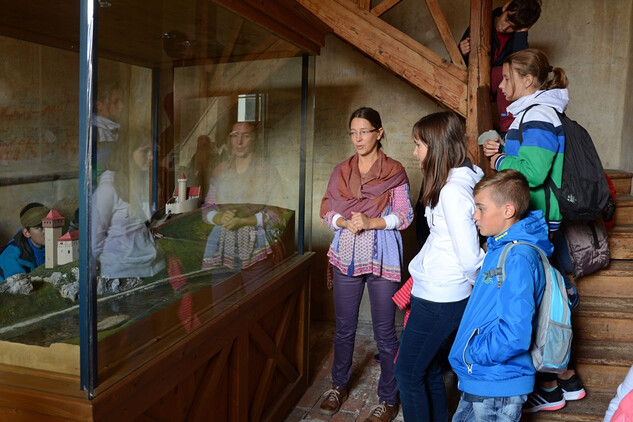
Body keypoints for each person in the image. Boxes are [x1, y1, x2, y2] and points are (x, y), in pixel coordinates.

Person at [482, 48, 586, 412]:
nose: (502, 84)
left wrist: (498, 160)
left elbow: (534, 172)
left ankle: (551, 387)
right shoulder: (533, 113)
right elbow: (527, 161)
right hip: (539, 220)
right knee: (552, 299)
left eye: (508, 77)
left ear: (528, 80)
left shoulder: (539, 115)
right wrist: (504, 151)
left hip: (539, 222)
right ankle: (565, 382)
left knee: (543, 306)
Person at [319, 107, 413, 422]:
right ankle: (338, 384)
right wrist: (344, 221)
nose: (358, 139)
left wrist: (372, 221)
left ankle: (388, 398)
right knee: (344, 328)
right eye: (353, 133)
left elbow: (405, 216)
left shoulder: (395, 171)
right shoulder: (340, 171)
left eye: (365, 132)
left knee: (385, 332)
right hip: (346, 251)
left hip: (382, 253)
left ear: (379, 133)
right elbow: (326, 211)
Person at [393, 111, 485, 422]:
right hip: (436, 291)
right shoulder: (461, 177)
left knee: (406, 373)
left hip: (440, 296)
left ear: (436, 147)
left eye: (418, 145)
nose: (414, 152)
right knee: (428, 368)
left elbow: (472, 259)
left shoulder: (453, 192)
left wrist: (476, 289)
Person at [449, 169, 548, 422]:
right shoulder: (500, 247)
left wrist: (474, 352)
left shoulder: (517, 257)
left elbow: (515, 334)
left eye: (481, 208)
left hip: (496, 384)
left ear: (508, 210)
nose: (474, 215)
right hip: (485, 379)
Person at [201, 121, 290, 282]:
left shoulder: (267, 172)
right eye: (235, 136)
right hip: (222, 250)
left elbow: (278, 215)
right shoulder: (221, 170)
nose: (239, 142)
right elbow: (207, 209)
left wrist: (244, 221)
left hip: (257, 250)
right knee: (224, 305)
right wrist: (219, 218)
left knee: (258, 304)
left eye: (246, 136)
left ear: (254, 139)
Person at [459, 0, 542, 135]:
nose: (504, 27)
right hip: (471, 80)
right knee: (507, 73)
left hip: (498, 84)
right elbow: (455, 63)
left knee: (517, 75)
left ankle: (510, 130)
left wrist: (521, 32)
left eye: (512, 27)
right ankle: (508, 130)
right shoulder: (481, 21)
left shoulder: (516, 37)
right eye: (506, 19)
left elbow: (521, 65)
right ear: (505, 7)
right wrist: (461, 52)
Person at [92, 135, 165, 279]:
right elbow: (94, 239)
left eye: (153, 151)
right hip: (122, 273)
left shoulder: (141, 182)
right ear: (127, 154)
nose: (151, 157)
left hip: (152, 267)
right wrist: (113, 259)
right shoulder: (107, 190)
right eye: (145, 151)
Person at [0, 203, 50, 282]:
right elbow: (17, 290)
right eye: (40, 228)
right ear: (27, 233)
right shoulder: (13, 257)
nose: (47, 231)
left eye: (49, 225)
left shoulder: (57, 245)